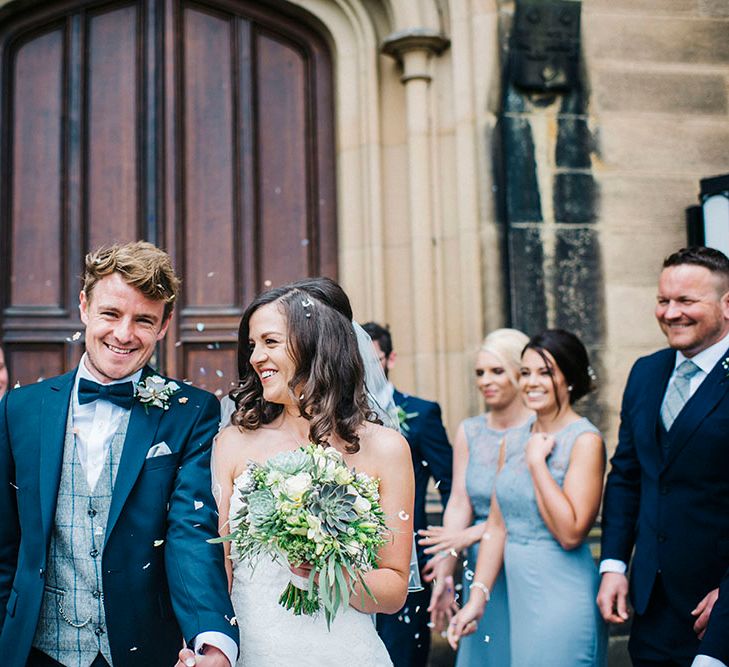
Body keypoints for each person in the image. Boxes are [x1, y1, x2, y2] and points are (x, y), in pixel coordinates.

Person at [0, 241, 239, 667]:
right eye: (111, 313)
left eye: (144, 320)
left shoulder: (191, 412)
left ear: (164, 325)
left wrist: (212, 638)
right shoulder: (19, 410)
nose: (124, 334)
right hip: (35, 650)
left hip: (146, 649)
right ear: (84, 307)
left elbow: (191, 531)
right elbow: (6, 545)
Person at [214, 281, 415, 666]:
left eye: (270, 342)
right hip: (255, 650)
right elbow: (220, 566)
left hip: (344, 651)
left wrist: (330, 573)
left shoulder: (386, 449)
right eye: (252, 345)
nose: (256, 357)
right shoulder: (233, 443)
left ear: (314, 344)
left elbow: (393, 588)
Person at [597, 246, 729, 667]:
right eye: (662, 300)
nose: (671, 313)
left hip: (716, 603)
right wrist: (614, 564)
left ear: (727, 304)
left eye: (686, 301)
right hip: (651, 606)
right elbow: (626, 475)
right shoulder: (646, 372)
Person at [449, 329, 607, 666]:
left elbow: (570, 533)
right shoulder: (513, 440)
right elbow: (495, 527)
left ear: (569, 380)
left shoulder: (585, 440)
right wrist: (477, 599)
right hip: (516, 597)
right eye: (525, 372)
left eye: (545, 372)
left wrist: (537, 464)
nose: (532, 382)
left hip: (562, 592)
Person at [420, 328, 532, 666]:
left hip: (525, 559)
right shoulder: (471, 429)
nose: (486, 380)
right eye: (480, 373)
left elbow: (530, 512)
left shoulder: (539, 428)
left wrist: (469, 534)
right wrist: (444, 572)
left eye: (497, 371)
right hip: (480, 570)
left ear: (519, 372)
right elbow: (458, 502)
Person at [361, 321, 453, 667]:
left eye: (375, 359)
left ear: (391, 359)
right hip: (349, 559)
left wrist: (446, 552)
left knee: (403, 655)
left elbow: (449, 484)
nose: (368, 368)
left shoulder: (422, 413)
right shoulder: (334, 416)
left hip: (410, 558)